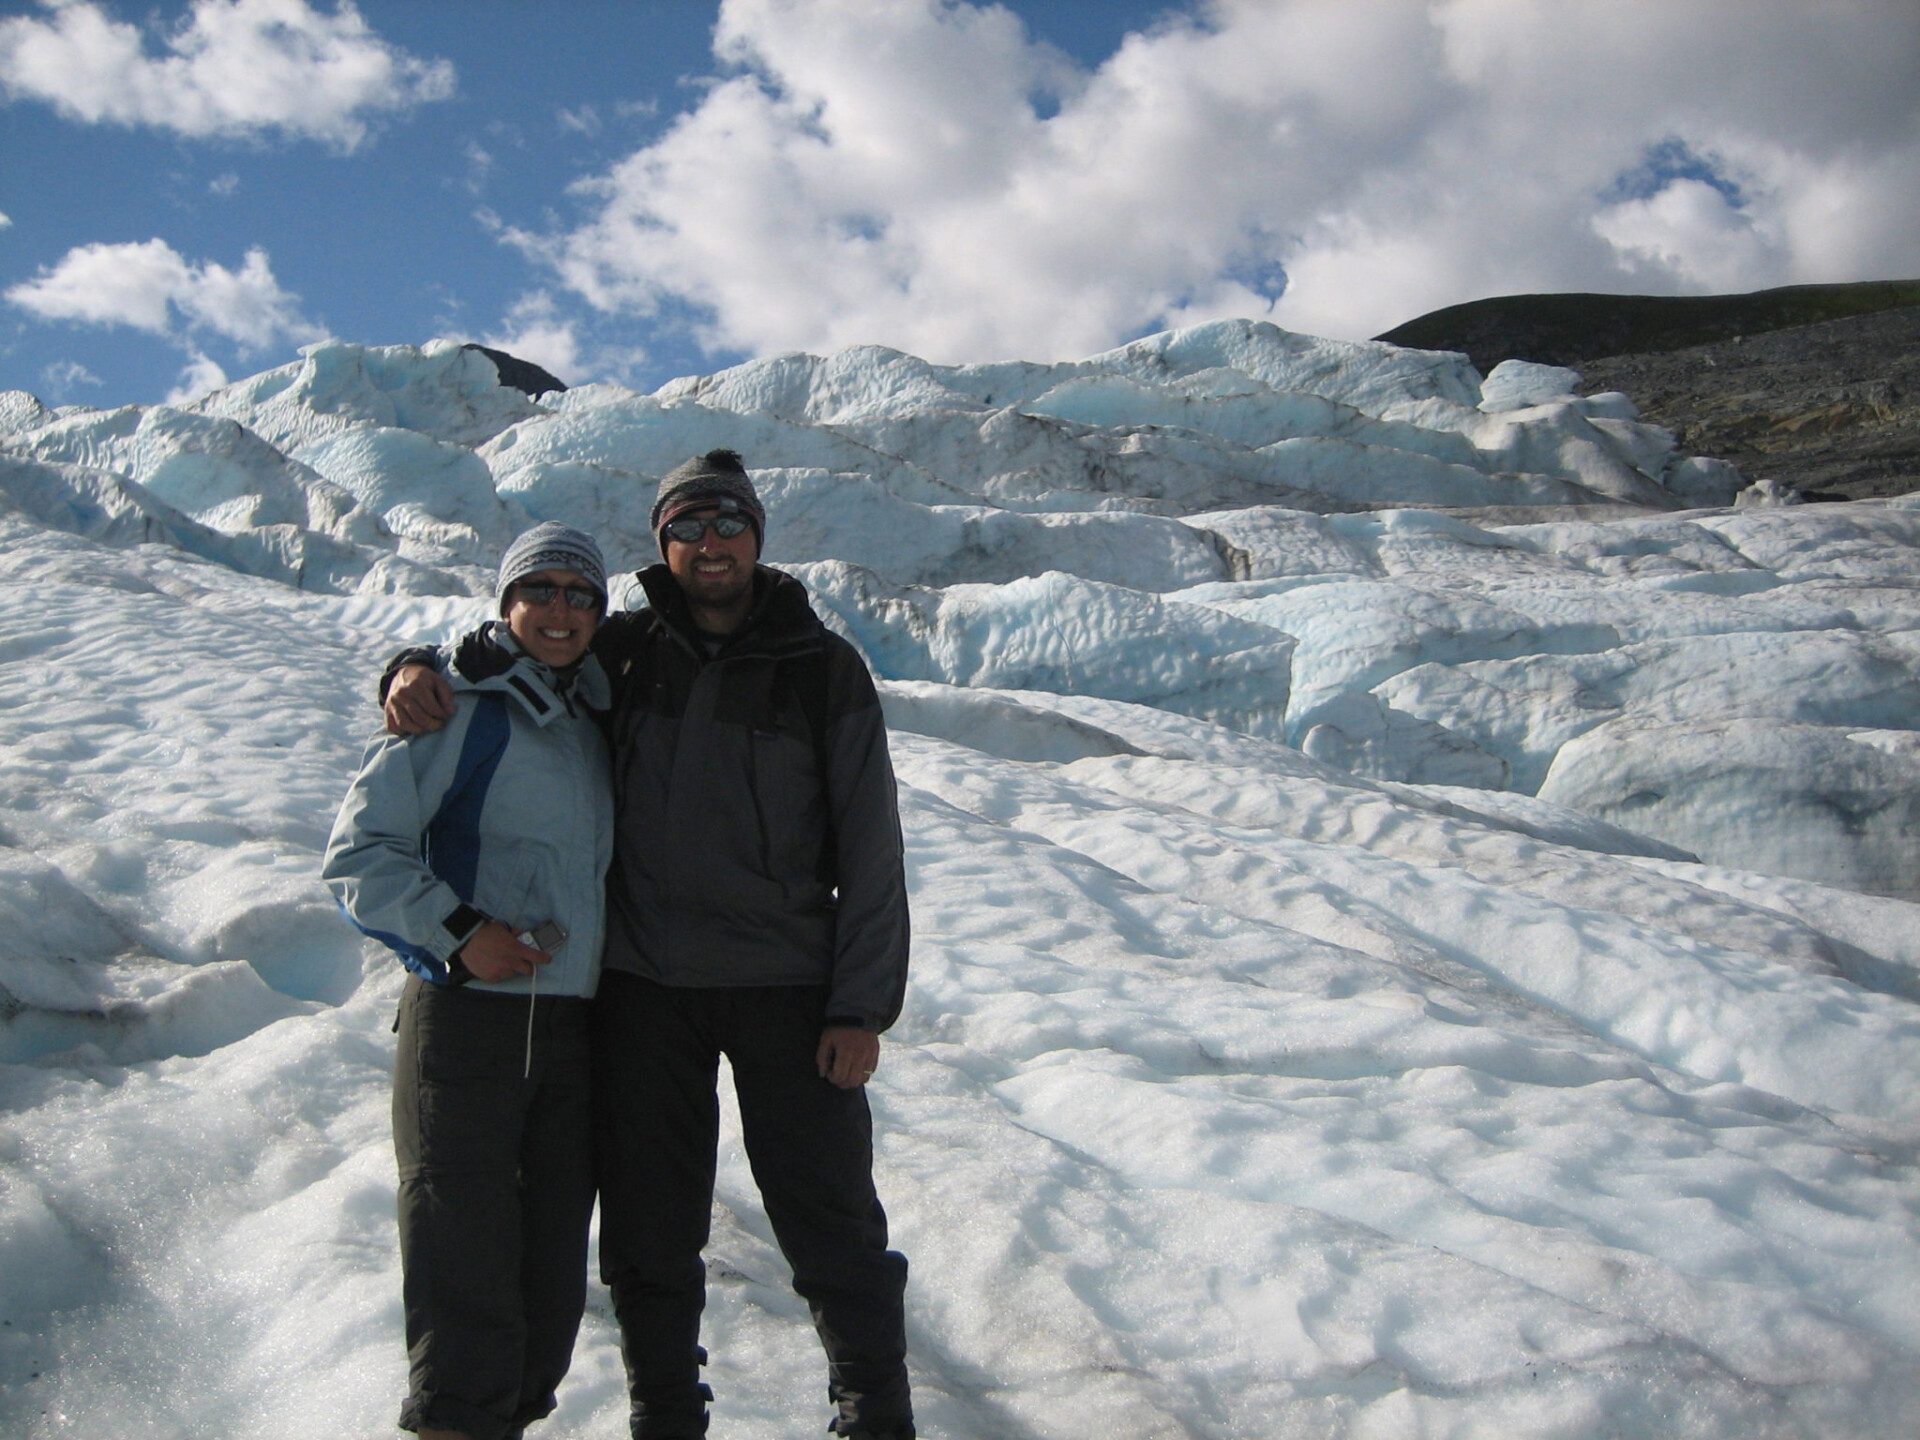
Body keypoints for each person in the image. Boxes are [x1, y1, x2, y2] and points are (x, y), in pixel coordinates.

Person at [384, 451, 915, 1440]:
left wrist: (860, 1006)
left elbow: (873, 848)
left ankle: (874, 1412)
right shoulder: (619, 654)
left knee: (829, 1213)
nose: (709, 544)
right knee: (649, 1227)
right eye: (688, 527)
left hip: (789, 989)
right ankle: (666, 1415)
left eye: (727, 524)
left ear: (757, 536)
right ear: (662, 544)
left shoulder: (822, 668)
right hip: (644, 988)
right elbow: (512, 648)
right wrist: (412, 663)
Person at [327, 522, 616, 1440]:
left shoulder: (596, 714)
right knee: (463, 1279)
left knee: (545, 1292)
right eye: (542, 590)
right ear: (507, 603)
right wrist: (460, 936)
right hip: (467, 1023)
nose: (561, 611)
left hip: (572, 1030)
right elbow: (358, 855)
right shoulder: (458, 707)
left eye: (581, 594)